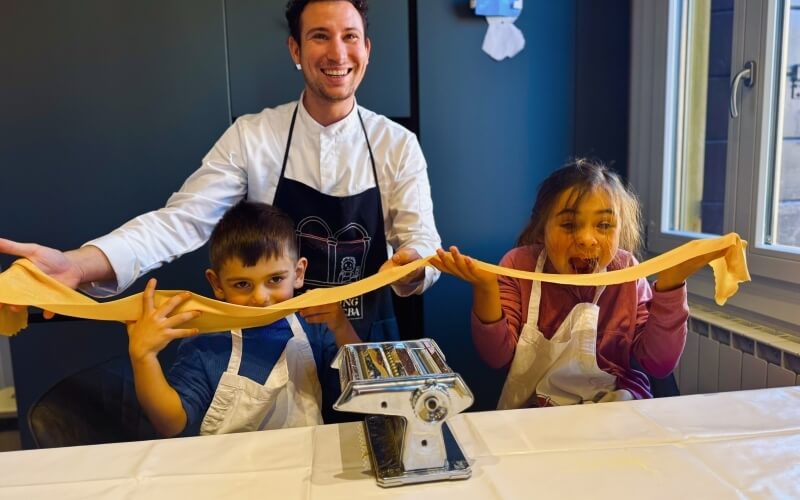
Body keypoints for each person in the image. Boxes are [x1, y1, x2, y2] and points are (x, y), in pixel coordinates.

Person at [0, 0, 440, 342]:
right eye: (320, 36)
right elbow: (181, 221)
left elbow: (421, 241)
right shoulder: (253, 136)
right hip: (275, 346)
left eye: (350, 37)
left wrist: (413, 265)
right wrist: (79, 264)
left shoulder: (396, 145)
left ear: (366, 49)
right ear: (296, 49)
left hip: (364, 342)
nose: (337, 52)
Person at [432, 159, 724, 408]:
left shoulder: (627, 271)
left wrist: (671, 286)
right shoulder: (518, 266)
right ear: (542, 229)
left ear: (620, 230)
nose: (586, 238)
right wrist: (486, 289)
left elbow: (659, 364)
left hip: (617, 409)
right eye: (569, 225)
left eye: (604, 225)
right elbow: (496, 357)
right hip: (536, 416)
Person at [128, 200, 360, 437]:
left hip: (306, 465)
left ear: (298, 274)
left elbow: (358, 393)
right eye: (242, 284)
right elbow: (170, 424)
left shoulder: (315, 329)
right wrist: (144, 358)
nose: (260, 298)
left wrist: (341, 327)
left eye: (275, 279)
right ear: (217, 284)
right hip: (228, 471)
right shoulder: (205, 344)